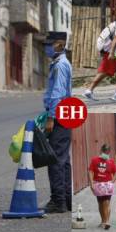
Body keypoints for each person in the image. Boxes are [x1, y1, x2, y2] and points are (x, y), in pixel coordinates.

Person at [42, 31, 72, 213]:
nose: (47, 47)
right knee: (63, 160)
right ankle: (66, 200)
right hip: (64, 114)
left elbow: (57, 94)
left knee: (55, 159)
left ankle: (58, 201)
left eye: (50, 44)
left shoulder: (60, 65)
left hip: (59, 115)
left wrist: (51, 117)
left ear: (60, 44)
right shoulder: (60, 63)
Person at [83, 2, 116, 101]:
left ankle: (89, 91)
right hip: (111, 49)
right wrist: (111, 53)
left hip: (112, 49)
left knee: (106, 70)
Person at [88, 144, 116, 230]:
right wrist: (91, 183)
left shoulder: (111, 162)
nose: (106, 153)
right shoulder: (94, 160)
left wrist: (113, 181)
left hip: (107, 185)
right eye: (105, 151)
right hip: (98, 185)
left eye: (107, 152)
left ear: (109, 152)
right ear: (101, 151)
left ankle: (107, 221)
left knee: (106, 202)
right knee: (100, 203)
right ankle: (103, 220)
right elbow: (90, 171)